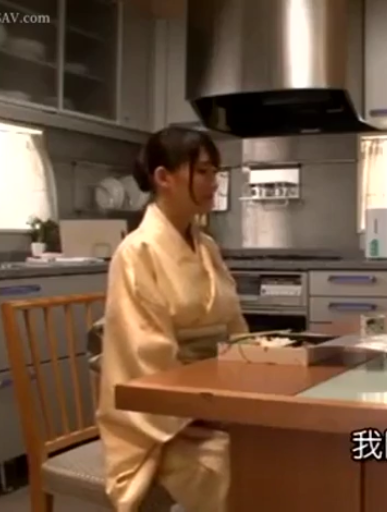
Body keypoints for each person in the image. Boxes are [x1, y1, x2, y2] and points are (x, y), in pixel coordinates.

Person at [96, 127, 248, 512]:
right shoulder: (136, 253)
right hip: (162, 424)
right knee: (240, 463)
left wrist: (251, 387)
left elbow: (235, 327)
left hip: (216, 402)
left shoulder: (206, 246)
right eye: (203, 172)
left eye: (215, 172)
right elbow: (145, 359)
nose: (214, 182)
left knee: (290, 443)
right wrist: (211, 408)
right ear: (164, 177)